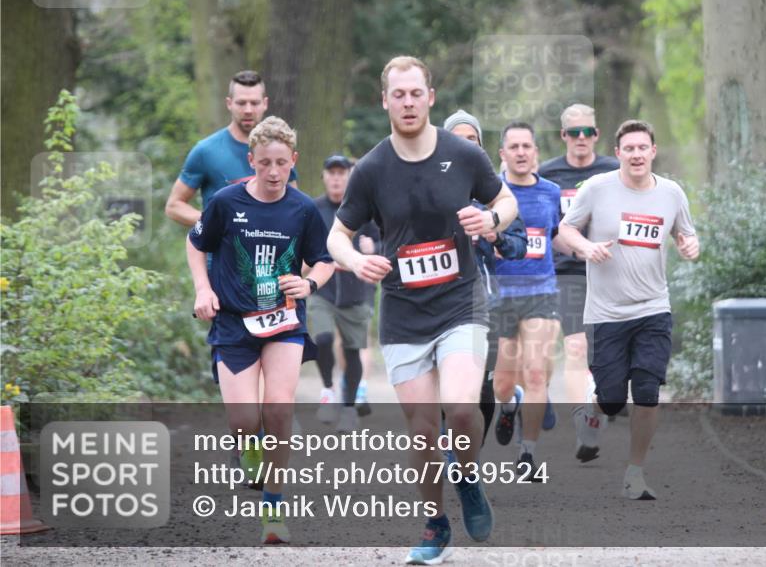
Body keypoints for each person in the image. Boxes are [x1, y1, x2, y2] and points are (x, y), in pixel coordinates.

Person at [328, 57, 519, 565]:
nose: (408, 102)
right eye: (398, 94)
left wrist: (491, 219)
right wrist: (353, 259)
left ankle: (468, 475)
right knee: (422, 430)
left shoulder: (463, 154)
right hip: (403, 311)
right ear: (385, 100)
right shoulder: (370, 169)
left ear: (430, 97)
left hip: (460, 301)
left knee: (460, 408)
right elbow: (337, 234)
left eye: (416, 93)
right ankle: (436, 522)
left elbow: (506, 200)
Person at [187, 117, 334, 542]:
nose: (273, 172)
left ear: (294, 162)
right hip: (233, 323)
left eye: (282, 163)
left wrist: (308, 283)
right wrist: (203, 290)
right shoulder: (225, 202)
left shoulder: (303, 208)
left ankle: (274, 507)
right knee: (243, 419)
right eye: (265, 163)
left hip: (283, 320)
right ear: (251, 160)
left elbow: (324, 259)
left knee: (278, 408)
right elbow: (196, 245)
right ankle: (250, 444)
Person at [557, 119, 699, 500]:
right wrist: (585, 248)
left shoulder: (671, 193)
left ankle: (634, 473)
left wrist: (690, 245)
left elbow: (686, 232)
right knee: (613, 399)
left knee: (649, 390)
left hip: (654, 308)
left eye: (643, 148)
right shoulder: (597, 189)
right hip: (606, 313)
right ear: (618, 153)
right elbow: (565, 230)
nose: (637, 154)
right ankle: (592, 410)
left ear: (653, 151)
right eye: (629, 149)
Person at [537, 103, 619, 459]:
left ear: (597, 135)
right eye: (574, 132)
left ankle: (596, 414)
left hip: (611, 272)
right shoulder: (548, 174)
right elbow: (542, 223)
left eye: (588, 131)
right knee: (575, 348)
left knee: (610, 360)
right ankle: (583, 426)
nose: (581, 138)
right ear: (563, 136)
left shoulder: (614, 171)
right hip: (567, 271)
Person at [442, 110, 528, 445]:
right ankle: (451, 447)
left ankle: (469, 456)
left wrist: (496, 235)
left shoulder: (493, 192)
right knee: (441, 384)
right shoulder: (425, 186)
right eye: (457, 140)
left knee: (480, 385)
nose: (464, 147)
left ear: (480, 147)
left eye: (472, 140)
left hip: (482, 302)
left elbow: (519, 247)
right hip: (435, 299)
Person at [490, 122, 564, 481]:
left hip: (542, 292)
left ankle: (528, 455)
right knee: (503, 383)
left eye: (527, 146)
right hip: (502, 296)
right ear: (502, 154)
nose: (521, 152)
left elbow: (555, 237)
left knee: (536, 371)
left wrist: (588, 250)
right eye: (513, 147)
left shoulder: (550, 192)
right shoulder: (490, 195)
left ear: (536, 152)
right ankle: (508, 406)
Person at [166, 70, 297, 227]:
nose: (248, 110)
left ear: (265, 103)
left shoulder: (279, 149)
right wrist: (215, 221)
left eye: (254, 103)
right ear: (229, 103)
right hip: (223, 250)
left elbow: (294, 205)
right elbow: (174, 206)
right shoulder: (206, 151)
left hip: (271, 248)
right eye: (241, 103)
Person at [308, 154, 379, 432]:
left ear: (349, 176)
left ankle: (349, 407)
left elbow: (383, 239)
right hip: (322, 289)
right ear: (324, 176)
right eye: (331, 173)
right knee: (323, 339)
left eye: (341, 173)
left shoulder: (364, 208)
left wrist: (374, 249)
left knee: (352, 351)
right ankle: (327, 390)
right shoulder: (313, 208)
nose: (336, 178)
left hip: (355, 291)